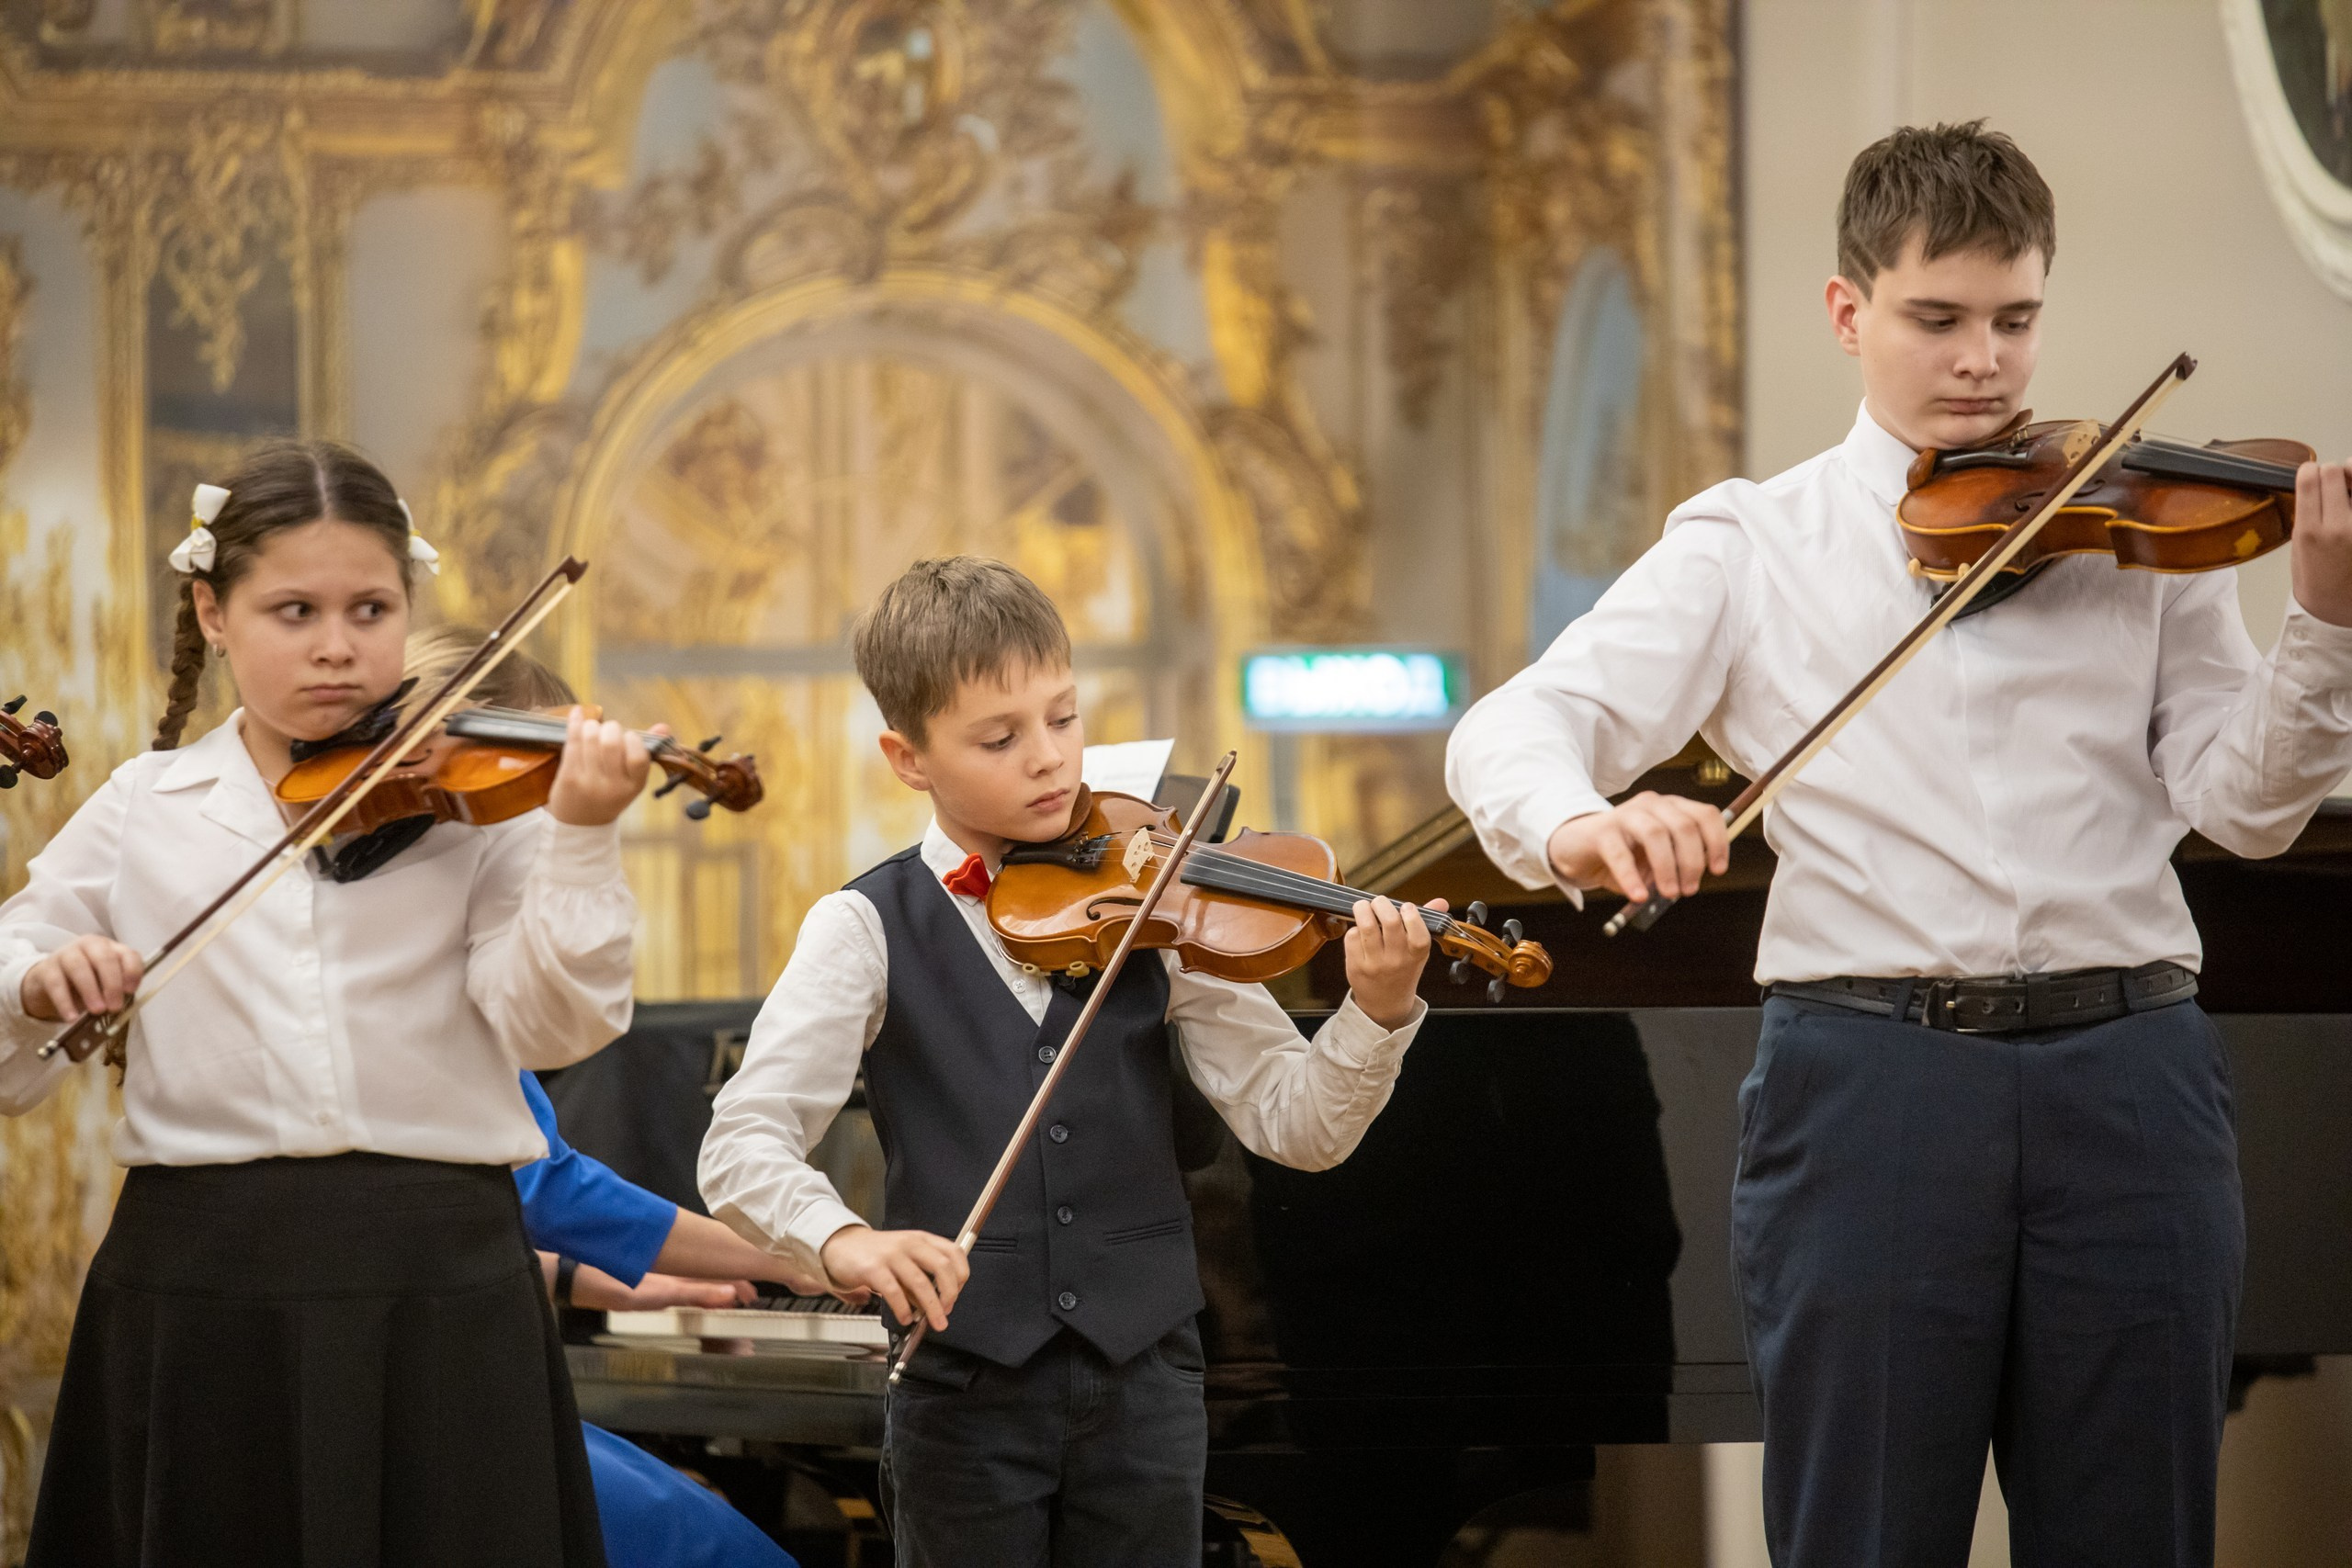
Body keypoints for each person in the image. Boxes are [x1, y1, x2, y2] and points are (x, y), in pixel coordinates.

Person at [1445, 120, 2352, 1568]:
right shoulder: (1753, 543)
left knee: (2141, 1532)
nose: (1984, 359)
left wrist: (2326, 622)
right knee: (1863, 1535)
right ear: (1848, 310)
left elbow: (2245, 807)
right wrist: (1589, 818)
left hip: (2131, 1077)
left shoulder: (2138, 522)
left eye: (2016, 317)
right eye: (1938, 319)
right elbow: (1513, 729)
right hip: (1870, 1083)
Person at [699, 556, 1442, 1567]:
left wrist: (1377, 1009)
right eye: (1000, 738)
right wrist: (843, 1244)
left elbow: (1298, 1127)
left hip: (1147, 1386)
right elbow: (742, 1143)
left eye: (1064, 717)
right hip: (962, 1394)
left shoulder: (1156, 900)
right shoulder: (862, 927)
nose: (1050, 759)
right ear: (907, 757)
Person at [0, 441, 655, 1567]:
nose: (339, 646)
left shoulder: (480, 800)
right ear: (211, 612)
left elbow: (556, 1030)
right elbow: (15, 1015)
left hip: (439, 1276)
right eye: (294, 609)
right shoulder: (150, 804)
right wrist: (35, 981)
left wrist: (583, 837)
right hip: (204, 1278)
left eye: (372, 608)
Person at [404, 623, 829, 1568]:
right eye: (526, 794)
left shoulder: (462, 953)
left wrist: (753, 1264)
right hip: (432, 1383)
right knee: (717, 1551)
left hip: (468, 1354)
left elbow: (531, 1200)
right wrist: (800, 1254)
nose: (538, 825)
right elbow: (552, 1195)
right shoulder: (418, 957)